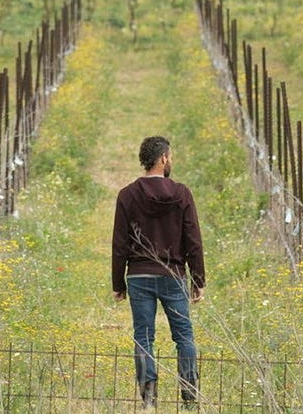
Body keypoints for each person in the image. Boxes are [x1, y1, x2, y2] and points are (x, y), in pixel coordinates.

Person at [112, 136, 205, 409]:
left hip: (139, 275)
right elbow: (193, 239)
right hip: (173, 274)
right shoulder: (182, 193)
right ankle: (189, 394)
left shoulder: (127, 195)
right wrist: (198, 280)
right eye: (170, 156)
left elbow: (120, 243)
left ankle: (149, 397)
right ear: (163, 158)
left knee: (143, 336)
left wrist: (119, 283)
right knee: (184, 336)